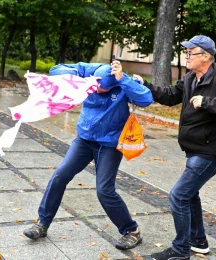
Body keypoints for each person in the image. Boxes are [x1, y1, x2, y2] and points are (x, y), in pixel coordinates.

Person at [133, 35, 216, 260]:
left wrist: (207, 102)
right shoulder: (190, 79)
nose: (186, 56)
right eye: (186, 52)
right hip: (195, 149)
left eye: (191, 52)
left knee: (178, 196)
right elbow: (169, 96)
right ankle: (199, 242)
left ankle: (180, 250)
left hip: (211, 152)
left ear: (206, 56)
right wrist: (144, 85)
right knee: (190, 195)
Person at [23, 60, 153, 250]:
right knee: (60, 176)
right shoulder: (87, 79)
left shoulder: (121, 84)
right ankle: (42, 223)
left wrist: (122, 79)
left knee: (104, 190)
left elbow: (146, 99)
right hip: (84, 140)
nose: (99, 91)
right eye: (97, 85)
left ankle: (131, 231)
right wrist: (84, 70)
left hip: (109, 145)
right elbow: (55, 70)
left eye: (104, 88)